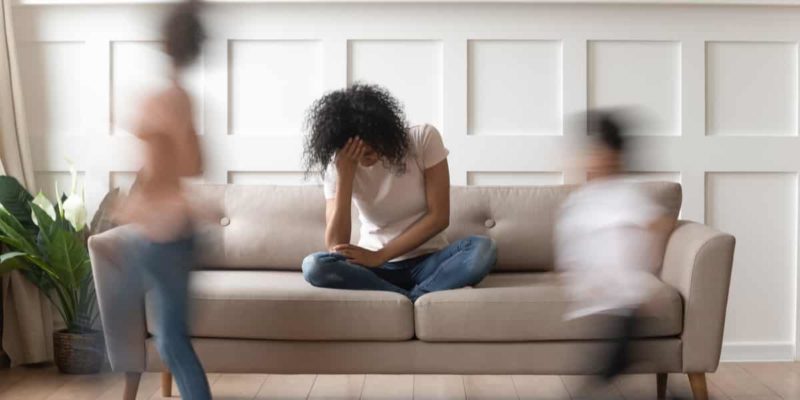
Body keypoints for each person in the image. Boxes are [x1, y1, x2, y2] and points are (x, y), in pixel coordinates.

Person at [301, 84, 497, 301]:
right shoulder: (338, 166)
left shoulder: (423, 139)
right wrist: (345, 177)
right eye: (357, 150)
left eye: (371, 145)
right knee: (313, 266)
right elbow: (335, 246)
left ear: (382, 130)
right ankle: (411, 298)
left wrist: (380, 255)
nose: (366, 154)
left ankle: (407, 297)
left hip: (429, 261)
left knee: (483, 248)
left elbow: (439, 217)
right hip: (375, 270)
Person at [111, 1, 211, 398]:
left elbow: (174, 167)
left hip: (165, 234)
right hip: (172, 231)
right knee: (169, 338)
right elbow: (192, 164)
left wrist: (156, 141)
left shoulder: (164, 98)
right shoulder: (180, 95)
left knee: (167, 339)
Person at [555, 110, 675, 381]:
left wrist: (644, 271)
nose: (590, 161)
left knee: (605, 374)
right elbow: (571, 248)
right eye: (588, 154)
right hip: (598, 302)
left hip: (623, 303)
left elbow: (657, 226)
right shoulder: (580, 201)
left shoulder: (626, 196)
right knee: (607, 371)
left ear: (615, 157)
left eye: (598, 153)